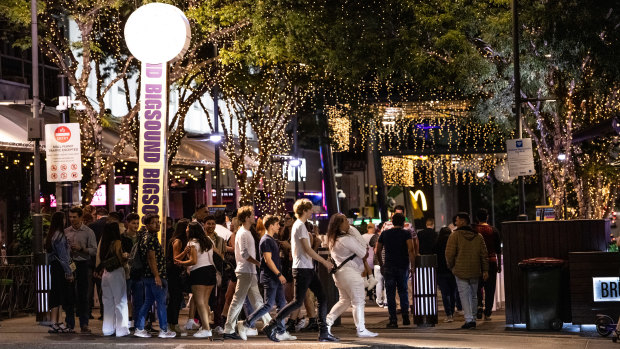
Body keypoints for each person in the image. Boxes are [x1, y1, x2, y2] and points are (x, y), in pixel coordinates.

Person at [264, 199, 336, 342]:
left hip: (305, 267)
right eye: (309, 210)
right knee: (298, 301)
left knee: (320, 297)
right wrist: (324, 262)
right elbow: (307, 249)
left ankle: (323, 332)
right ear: (304, 210)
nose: (311, 212)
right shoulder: (300, 226)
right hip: (303, 268)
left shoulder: (299, 226)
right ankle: (272, 325)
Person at [239, 215, 295, 340]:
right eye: (277, 224)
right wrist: (279, 274)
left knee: (282, 303)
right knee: (268, 305)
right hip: (271, 277)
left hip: (274, 277)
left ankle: (281, 331)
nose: (279, 226)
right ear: (270, 226)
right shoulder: (266, 240)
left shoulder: (271, 239)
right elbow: (268, 260)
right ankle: (246, 324)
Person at [222, 207, 273, 340]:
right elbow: (244, 254)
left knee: (257, 301)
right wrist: (258, 263)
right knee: (238, 301)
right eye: (252, 215)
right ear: (246, 218)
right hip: (245, 271)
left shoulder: (246, 232)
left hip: (249, 271)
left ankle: (271, 324)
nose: (254, 217)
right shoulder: (243, 233)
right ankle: (228, 329)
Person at [325, 214, 378, 338]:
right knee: (358, 301)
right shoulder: (346, 239)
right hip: (350, 273)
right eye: (345, 221)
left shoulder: (333, 239)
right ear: (339, 225)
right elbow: (363, 253)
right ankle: (361, 329)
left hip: (339, 274)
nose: (348, 223)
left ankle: (327, 322)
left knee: (344, 300)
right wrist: (355, 234)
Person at [134, 214, 176, 338]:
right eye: (154, 222)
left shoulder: (145, 237)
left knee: (148, 302)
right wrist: (157, 276)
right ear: (147, 225)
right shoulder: (150, 238)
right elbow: (151, 258)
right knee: (161, 303)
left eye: (158, 222)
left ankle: (139, 328)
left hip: (148, 276)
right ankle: (163, 330)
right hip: (155, 276)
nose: (157, 224)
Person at [446, 212, 489, 329]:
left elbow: (449, 254)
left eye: (457, 220)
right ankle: (473, 318)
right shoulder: (478, 236)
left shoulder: (454, 236)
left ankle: (469, 319)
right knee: (474, 295)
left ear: (463, 221)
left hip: (460, 270)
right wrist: (485, 269)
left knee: (464, 295)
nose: (455, 222)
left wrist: (451, 266)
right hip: (475, 269)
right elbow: (484, 255)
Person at [175, 221, 218, 338]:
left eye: (188, 227)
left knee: (200, 302)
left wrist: (181, 262)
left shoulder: (192, 243)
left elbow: (193, 261)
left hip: (199, 272)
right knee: (205, 302)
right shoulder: (208, 240)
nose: (186, 229)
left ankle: (206, 329)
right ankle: (205, 327)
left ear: (191, 230)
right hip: (211, 271)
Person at [376, 213, 416, 328]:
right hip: (402, 266)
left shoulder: (385, 233)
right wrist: (412, 266)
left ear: (392, 222)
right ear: (404, 223)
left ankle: (393, 319)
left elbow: (377, 250)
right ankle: (405, 318)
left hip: (389, 266)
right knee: (403, 291)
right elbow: (411, 250)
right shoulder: (406, 233)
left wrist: (382, 264)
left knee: (390, 293)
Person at [64, 206, 97, 333]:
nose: (72, 219)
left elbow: (94, 250)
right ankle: (69, 323)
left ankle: (84, 323)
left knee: (83, 294)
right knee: (69, 294)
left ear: (81, 217)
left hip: (83, 264)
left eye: (74, 217)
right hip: (70, 263)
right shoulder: (66, 231)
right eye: (70, 217)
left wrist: (81, 249)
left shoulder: (88, 232)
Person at [46, 212, 76, 334]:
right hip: (60, 267)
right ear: (61, 221)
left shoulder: (51, 235)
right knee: (60, 295)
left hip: (53, 267)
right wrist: (69, 272)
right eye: (64, 219)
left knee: (55, 294)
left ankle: (57, 322)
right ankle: (56, 322)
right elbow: (63, 256)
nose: (66, 221)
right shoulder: (60, 236)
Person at [98, 222, 130, 337]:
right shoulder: (117, 242)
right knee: (120, 301)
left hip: (106, 273)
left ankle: (107, 329)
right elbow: (120, 258)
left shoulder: (103, 243)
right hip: (116, 272)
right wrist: (125, 256)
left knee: (107, 301)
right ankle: (122, 329)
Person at [473, 208, 502, 321]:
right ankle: (488, 312)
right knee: (490, 288)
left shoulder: (474, 230)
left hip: (477, 262)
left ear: (476, 218)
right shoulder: (493, 230)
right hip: (491, 261)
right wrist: (499, 264)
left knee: (477, 285)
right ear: (487, 217)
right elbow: (498, 250)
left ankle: (479, 306)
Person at [167, 218, 189, 335]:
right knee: (175, 299)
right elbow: (176, 259)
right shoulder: (178, 241)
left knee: (176, 298)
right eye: (187, 227)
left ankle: (172, 323)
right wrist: (185, 252)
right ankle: (173, 323)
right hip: (174, 272)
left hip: (174, 272)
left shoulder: (178, 240)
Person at [121, 213, 143, 330]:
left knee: (139, 298)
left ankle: (137, 322)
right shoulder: (122, 237)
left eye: (137, 223)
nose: (136, 225)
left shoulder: (141, 237)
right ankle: (128, 320)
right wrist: (123, 255)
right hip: (127, 271)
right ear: (127, 224)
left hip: (139, 271)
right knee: (126, 297)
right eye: (133, 223)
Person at [434, 222, 458, 323]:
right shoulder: (453, 243)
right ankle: (452, 312)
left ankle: (448, 314)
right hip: (452, 271)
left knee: (445, 293)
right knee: (453, 293)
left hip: (440, 272)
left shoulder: (437, 244)